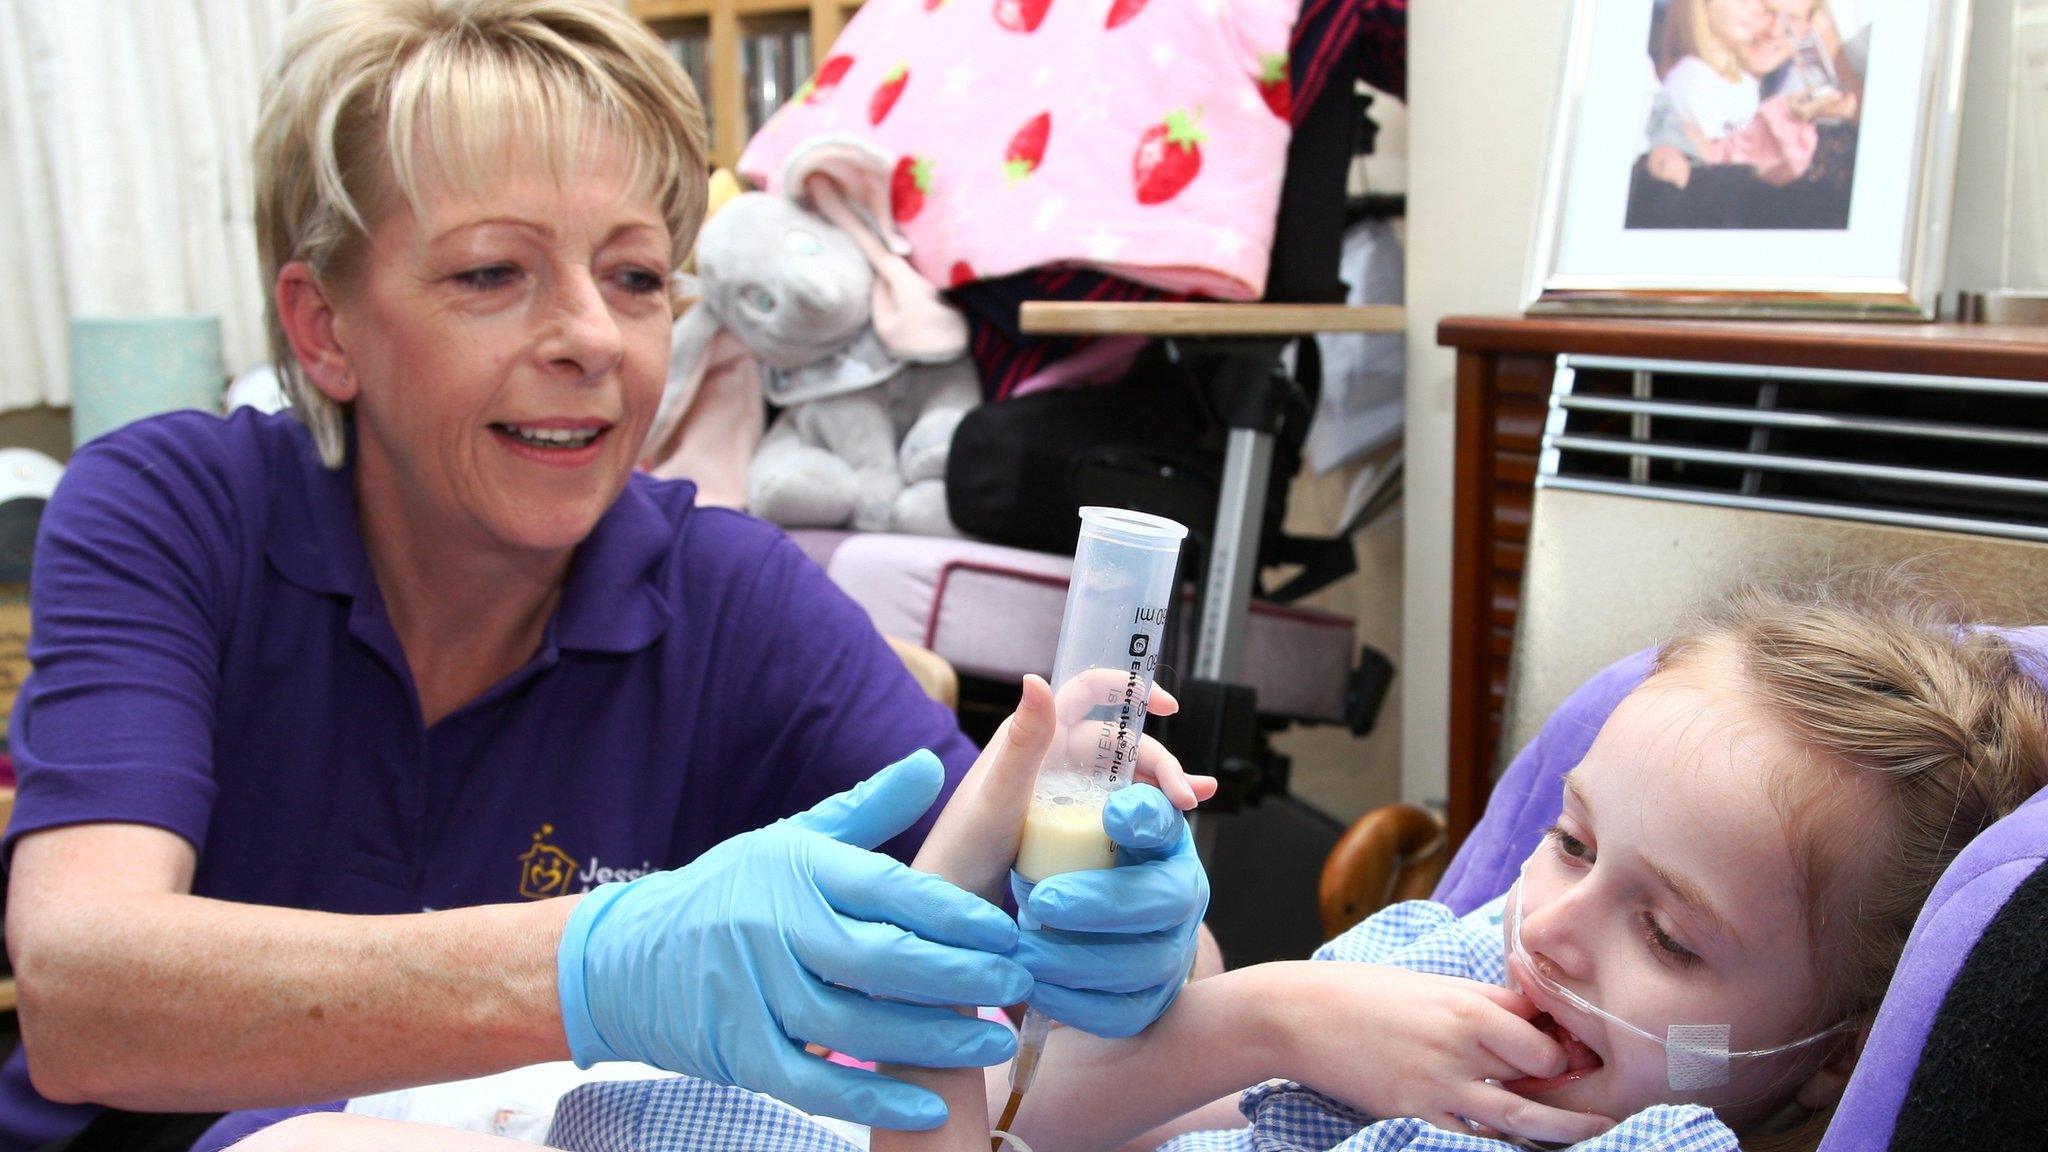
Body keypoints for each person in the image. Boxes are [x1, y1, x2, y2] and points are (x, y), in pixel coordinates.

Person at [0, 3, 1211, 1149]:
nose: (591, 337)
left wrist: (1131, 933)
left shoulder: (728, 601)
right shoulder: (174, 515)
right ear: (326, 330)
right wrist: (600, 961)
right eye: (491, 273)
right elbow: (81, 993)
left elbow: (1086, 961)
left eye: (635, 277)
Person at [467, 573, 2047, 1152]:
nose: (1555, 928)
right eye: (1568, 840)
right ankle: (954, 894)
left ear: (1824, 1065)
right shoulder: (1447, 958)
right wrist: (1273, 1017)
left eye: (1674, 941)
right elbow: (1052, 1115)